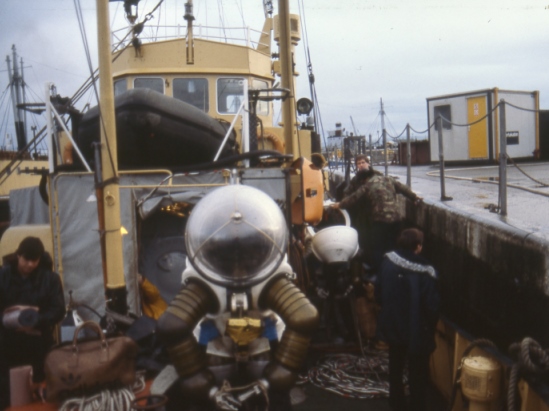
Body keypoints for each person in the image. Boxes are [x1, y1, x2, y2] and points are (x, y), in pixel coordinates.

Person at [375, 228, 440, 411]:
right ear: (418, 247)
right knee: (417, 375)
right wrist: (430, 328)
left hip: (393, 326)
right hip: (416, 330)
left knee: (395, 369)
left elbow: (378, 293)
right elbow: (432, 307)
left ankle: (396, 404)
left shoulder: (387, 261)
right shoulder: (426, 271)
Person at [0, 237, 66, 409]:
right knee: (10, 396)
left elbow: (58, 310)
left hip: (39, 347)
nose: (29, 264)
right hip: (8, 349)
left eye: (34, 260)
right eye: (26, 259)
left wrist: (37, 320)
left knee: (40, 396)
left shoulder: (50, 279)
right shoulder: (3, 275)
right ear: (18, 256)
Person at [332, 155, 422, 271]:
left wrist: (339, 205)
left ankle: (379, 271)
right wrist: (415, 198)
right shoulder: (387, 179)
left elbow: (353, 198)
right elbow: (403, 188)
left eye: (363, 162)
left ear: (368, 163)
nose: (361, 165)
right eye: (358, 163)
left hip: (378, 220)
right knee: (394, 246)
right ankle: (396, 269)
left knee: (377, 248)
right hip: (395, 219)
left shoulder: (367, 185)